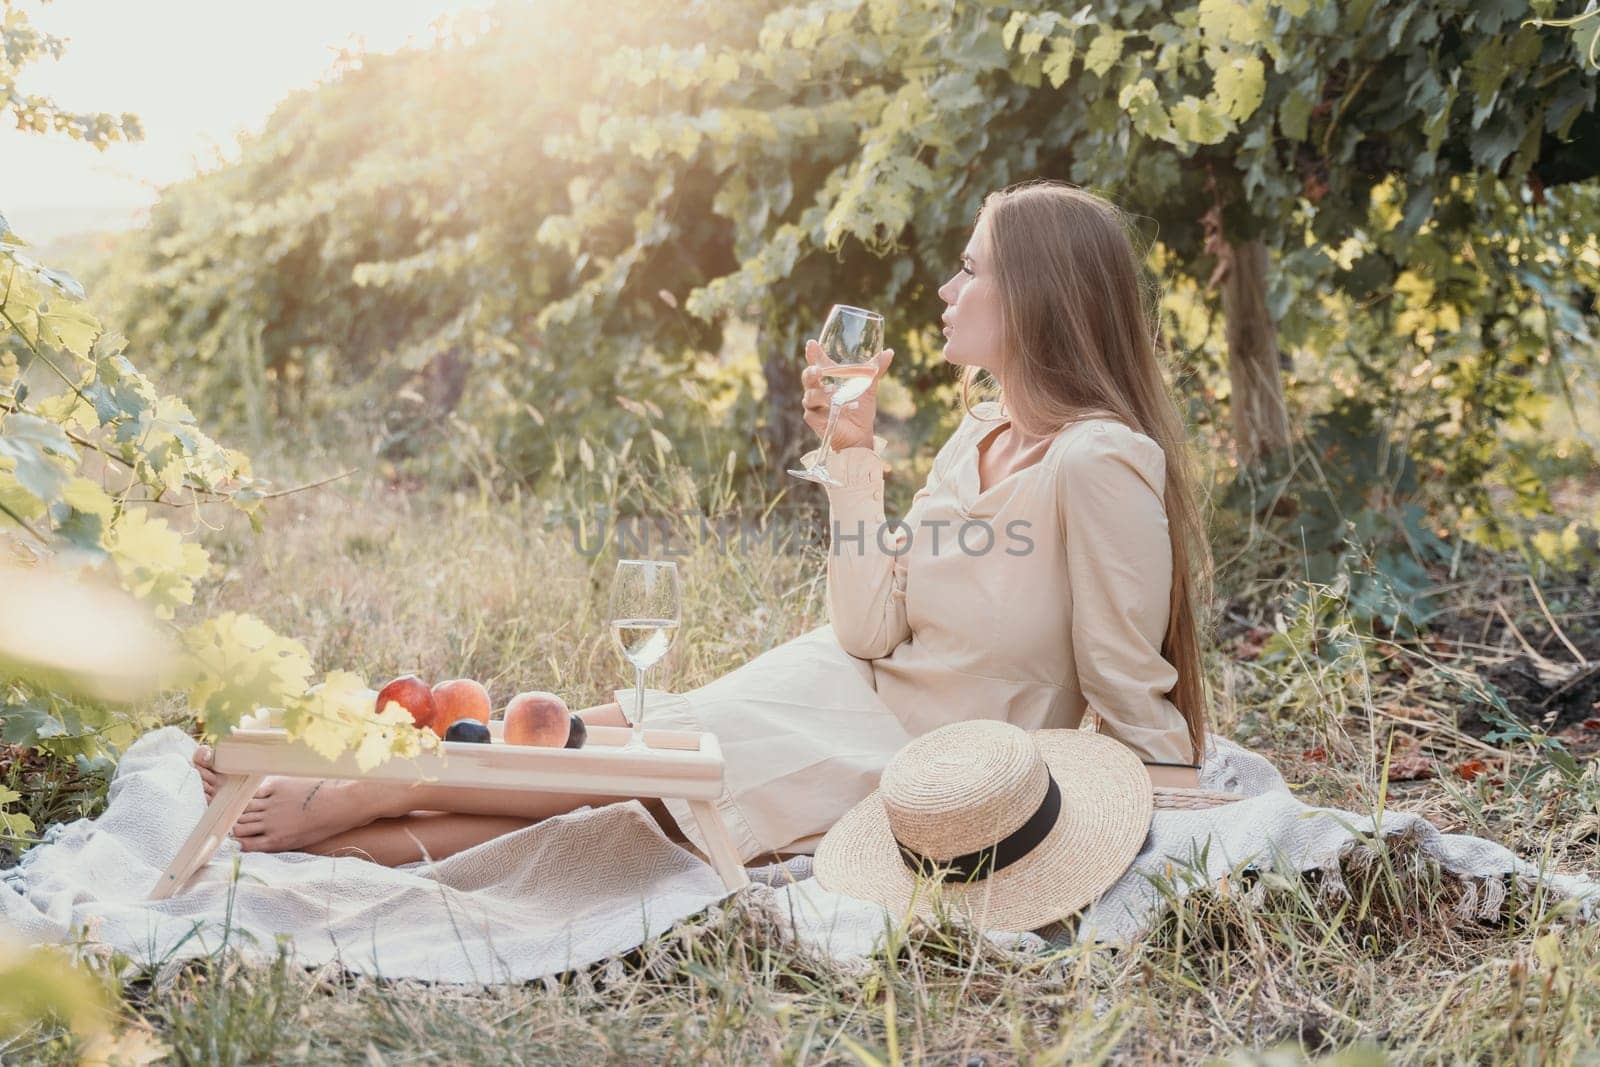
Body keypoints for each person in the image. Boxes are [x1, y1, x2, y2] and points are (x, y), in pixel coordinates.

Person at [191, 179, 1216, 869]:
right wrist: (855, 461)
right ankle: (353, 766)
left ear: (1036, 295)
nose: (947, 290)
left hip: (921, 752)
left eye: (971, 269)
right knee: (623, 728)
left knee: (632, 800)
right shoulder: (979, 435)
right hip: (842, 679)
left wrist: (1164, 824)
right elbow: (868, 631)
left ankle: (362, 804)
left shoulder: (1098, 462)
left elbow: (1134, 693)